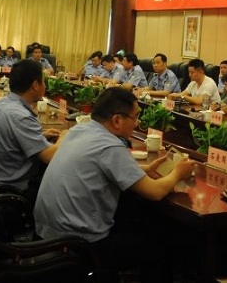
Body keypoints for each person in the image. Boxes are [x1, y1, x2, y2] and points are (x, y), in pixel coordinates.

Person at [33, 87, 197, 283]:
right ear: (117, 120)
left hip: (45, 234)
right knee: (157, 248)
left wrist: (142, 170)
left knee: (130, 216)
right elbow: (155, 192)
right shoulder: (109, 145)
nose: (137, 123)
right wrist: (178, 173)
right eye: (135, 117)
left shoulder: (78, 130)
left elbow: (98, 166)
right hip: (79, 245)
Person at [0, 60, 63, 205]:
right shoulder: (21, 115)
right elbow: (49, 157)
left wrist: (41, 135)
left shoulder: (1, 103)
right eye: (43, 82)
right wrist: (66, 136)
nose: (45, 86)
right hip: (12, 188)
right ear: (35, 85)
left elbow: (11, 137)